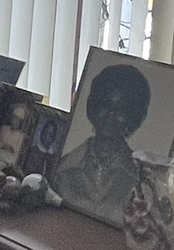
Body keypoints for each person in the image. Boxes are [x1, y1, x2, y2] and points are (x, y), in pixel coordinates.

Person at [54, 64, 152, 226]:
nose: (110, 115)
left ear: (135, 117)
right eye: (105, 105)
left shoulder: (143, 181)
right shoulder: (60, 168)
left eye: (121, 110)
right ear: (91, 106)